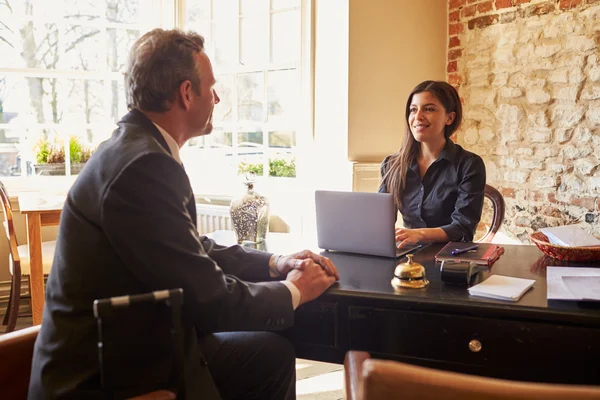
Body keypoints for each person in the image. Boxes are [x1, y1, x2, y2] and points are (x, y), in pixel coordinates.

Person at [28, 28, 339, 400]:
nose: (217, 97)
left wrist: (276, 262)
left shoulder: (137, 149)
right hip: (100, 376)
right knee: (268, 351)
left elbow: (192, 250)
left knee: (268, 354)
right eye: (211, 87)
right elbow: (208, 300)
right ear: (186, 93)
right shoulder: (143, 165)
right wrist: (294, 290)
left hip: (129, 344)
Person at [379, 80, 486, 246]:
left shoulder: (469, 165)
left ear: (449, 118)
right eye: (413, 110)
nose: (418, 116)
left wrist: (419, 234)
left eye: (429, 109)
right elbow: (380, 222)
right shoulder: (391, 164)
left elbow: (463, 228)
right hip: (407, 258)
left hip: (449, 259)